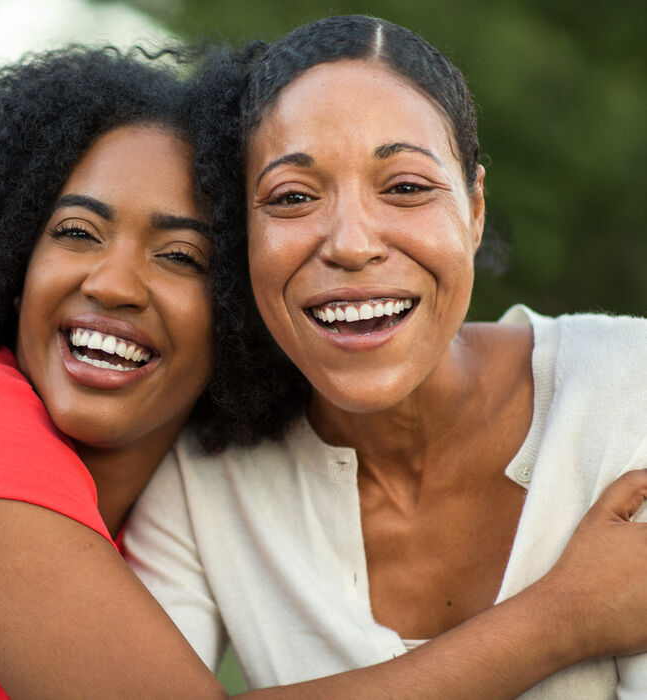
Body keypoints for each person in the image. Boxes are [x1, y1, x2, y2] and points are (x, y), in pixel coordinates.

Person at [0, 43, 647, 700]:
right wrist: (559, 620)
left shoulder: (160, 502)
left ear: (242, 295)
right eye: (76, 234)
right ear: (12, 259)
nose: (114, 284)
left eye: (183, 256)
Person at [124, 15, 647, 698]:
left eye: (404, 187)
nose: (350, 243)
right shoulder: (202, 479)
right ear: (241, 237)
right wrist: (559, 621)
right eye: (293, 197)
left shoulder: (629, 395)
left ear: (476, 209)